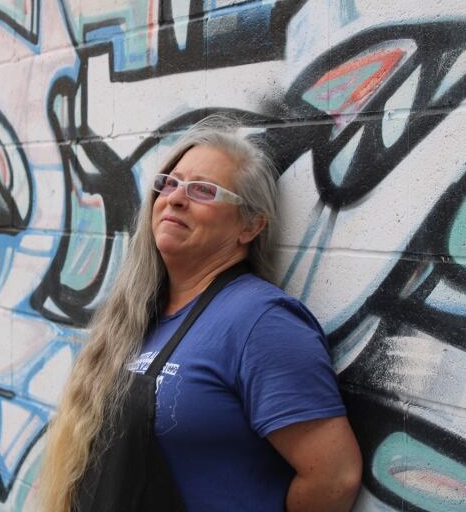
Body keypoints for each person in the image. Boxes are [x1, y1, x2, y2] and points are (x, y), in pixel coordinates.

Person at [40, 116, 362, 512]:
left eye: (203, 190)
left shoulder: (261, 321)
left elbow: (334, 478)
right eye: (170, 183)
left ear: (250, 225)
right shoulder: (140, 314)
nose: (175, 198)